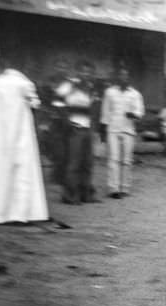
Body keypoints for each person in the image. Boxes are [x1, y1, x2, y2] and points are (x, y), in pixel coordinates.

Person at [0, 66, 49, 224]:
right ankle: (21, 213)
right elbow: (35, 103)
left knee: (0, 170)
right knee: (23, 171)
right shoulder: (23, 83)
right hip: (21, 132)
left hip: (0, 134)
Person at [54, 60, 99, 204]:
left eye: (89, 72)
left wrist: (94, 128)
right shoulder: (68, 85)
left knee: (88, 163)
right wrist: (67, 121)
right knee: (74, 163)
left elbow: (94, 108)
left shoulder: (91, 87)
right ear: (77, 72)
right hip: (74, 129)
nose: (86, 74)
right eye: (83, 71)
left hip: (87, 130)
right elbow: (57, 103)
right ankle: (70, 196)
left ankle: (86, 195)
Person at [101, 67, 144, 198]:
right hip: (113, 129)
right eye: (121, 75)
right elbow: (105, 113)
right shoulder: (109, 92)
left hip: (128, 130)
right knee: (113, 159)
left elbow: (140, 112)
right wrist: (104, 129)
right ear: (117, 77)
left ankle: (125, 188)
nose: (123, 78)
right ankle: (113, 189)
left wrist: (133, 114)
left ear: (129, 78)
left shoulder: (135, 94)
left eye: (126, 75)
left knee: (126, 160)